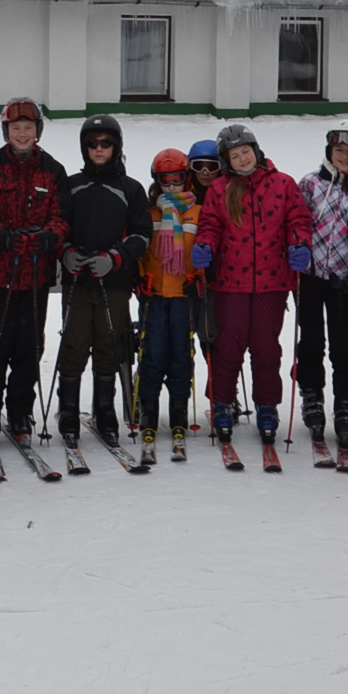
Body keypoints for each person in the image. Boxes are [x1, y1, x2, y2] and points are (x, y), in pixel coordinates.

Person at [191, 123, 310, 452]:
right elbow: (211, 224)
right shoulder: (220, 189)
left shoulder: (282, 184)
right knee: (227, 347)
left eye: (246, 152)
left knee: (266, 348)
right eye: (235, 155)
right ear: (227, 161)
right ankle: (222, 403)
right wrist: (205, 245)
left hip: (273, 283)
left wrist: (300, 244)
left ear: (256, 152)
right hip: (231, 282)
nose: (242, 159)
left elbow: (297, 221)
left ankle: (267, 405)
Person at [0, 98, 68, 454]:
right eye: (16, 129)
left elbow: (62, 217)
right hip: (0, 273)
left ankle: (20, 413)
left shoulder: (52, 170)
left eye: (28, 128)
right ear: (6, 131)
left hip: (37, 275)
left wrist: (47, 236)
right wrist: (2, 236)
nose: (22, 134)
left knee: (30, 347)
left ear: (37, 131)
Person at [54, 114, 148, 449]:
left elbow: (142, 235)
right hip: (78, 280)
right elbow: (58, 225)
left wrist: (116, 257)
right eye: (92, 143)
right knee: (75, 343)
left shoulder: (130, 189)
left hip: (115, 282)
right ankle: (68, 411)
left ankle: (105, 410)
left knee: (109, 344)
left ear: (116, 146)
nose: (98, 149)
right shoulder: (72, 185)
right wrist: (64, 250)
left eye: (105, 143)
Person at [294, 126, 348, 451]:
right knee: (311, 340)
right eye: (338, 152)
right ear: (329, 153)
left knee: (342, 343)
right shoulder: (311, 183)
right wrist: (296, 246)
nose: (343, 157)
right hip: (311, 277)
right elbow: (295, 220)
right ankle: (311, 395)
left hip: (344, 279)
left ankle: (345, 401)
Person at [135, 149, 204, 463]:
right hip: (156, 294)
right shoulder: (150, 213)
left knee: (180, 354)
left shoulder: (198, 212)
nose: (172, 186)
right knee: (153, 352)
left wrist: (199, 276)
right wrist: (141, 277)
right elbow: (140, 249)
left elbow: (206, 250)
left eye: (177, 179)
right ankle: (148, 409)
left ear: (186, 177)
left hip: (183, 296)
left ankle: (178, 408)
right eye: (165, 180)